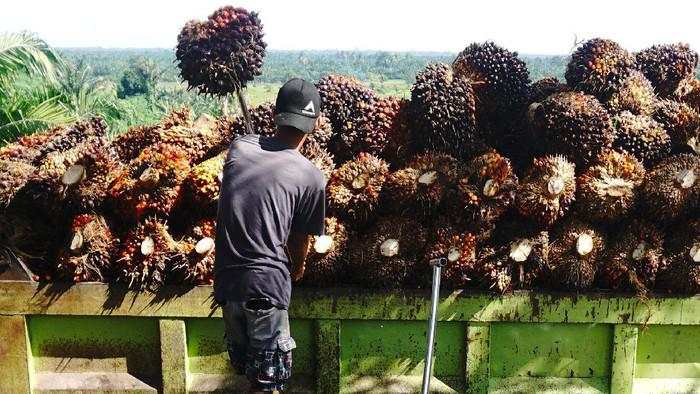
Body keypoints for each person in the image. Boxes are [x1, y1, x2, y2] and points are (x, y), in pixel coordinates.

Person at [214, 78, 326, 393]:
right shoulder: (311, 177)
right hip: (265, 286)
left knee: (250, 375)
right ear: (313, 125)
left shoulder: (239, 147)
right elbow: (299, 240)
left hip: (226, 284)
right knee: (267, 386)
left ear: (276, 114)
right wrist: (299, 266)